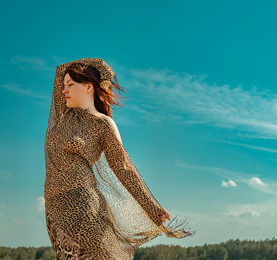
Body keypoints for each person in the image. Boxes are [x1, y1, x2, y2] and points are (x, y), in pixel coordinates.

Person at [44, 58, 195, 259]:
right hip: (54, 210)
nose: (64, 90)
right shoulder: (63, 116)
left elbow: (123, 167)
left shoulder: (103, 124)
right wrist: (97, 65)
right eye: (64, 86)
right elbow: (59, 70)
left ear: (89, 87)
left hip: (82, 205)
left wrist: (151, 207)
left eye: (70, 85)